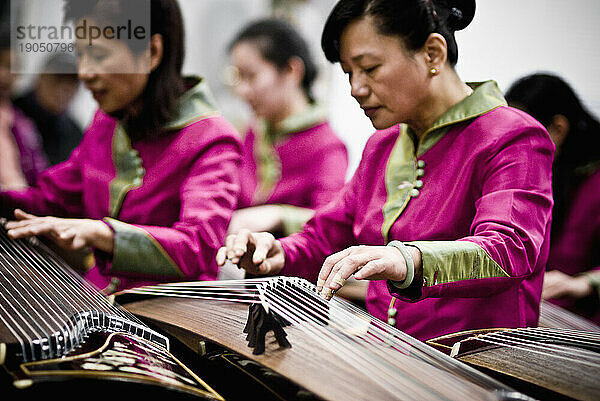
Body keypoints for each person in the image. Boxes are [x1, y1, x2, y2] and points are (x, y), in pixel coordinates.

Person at [217, 0, 554, 342]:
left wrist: (405, 259)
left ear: (432, 54)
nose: (355, 89)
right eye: (349, 72)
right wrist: (279, 252)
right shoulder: (384, 144)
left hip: (473, 369)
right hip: (385, 357)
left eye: (370, 68)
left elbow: (509, 249)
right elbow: (328, 233)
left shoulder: (512, 137)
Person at [1, 0, 242, 294]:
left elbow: (198, 247)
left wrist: (101, 232)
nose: (85, 73)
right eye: (81, 55)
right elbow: (51, 198)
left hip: (172, 323)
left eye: (99, 55)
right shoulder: (108, 120)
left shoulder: (211, 139)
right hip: (97, 305)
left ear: (151, 53)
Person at [227, 18, 348, 237]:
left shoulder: (326, 145)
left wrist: (278, 216)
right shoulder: (254, 133)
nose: (242, 91)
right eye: (238, 78)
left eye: (251, 76)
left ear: (292, 70)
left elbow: (333, 222)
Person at [506, 73, 600, 323]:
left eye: (520, 133)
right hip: (541, 316)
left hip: (580, 332)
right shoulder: (543, 173)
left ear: (558, 128)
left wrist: (585, 283)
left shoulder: (594, 182)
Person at [13, 53, 84, 166]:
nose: (64, 88)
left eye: (72, 82)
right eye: (58, 79)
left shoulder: (75, 134)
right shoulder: (10, 112)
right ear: (41, 77)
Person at [0, 24, 48, 190]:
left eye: (13, 67)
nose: (6, 75)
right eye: (1, 64)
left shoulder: (21, 121)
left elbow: (37, 173)